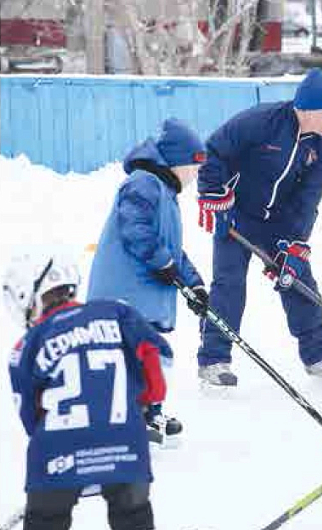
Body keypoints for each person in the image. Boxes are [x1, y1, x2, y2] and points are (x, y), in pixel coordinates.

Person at [3, 250, 189, 530]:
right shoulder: (116, 312)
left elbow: (31, 417)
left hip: (56, 453)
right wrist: (143, 402)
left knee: (46, 520)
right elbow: (156, 358)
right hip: (125, 443)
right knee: (133, 515)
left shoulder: (26, 346)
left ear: (28, 296)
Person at [194, 68, 322, 387]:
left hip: (279, 222)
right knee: (229, 284)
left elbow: (309, 197)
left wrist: (296, 243)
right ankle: (214, 359)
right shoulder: (260, 122)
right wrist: (213, 195)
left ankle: (318, 356)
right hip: (236, 214)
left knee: (298, 279)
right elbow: (214, 151)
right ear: (303, 109)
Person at [87, 118, 210, 434]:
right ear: (175, 161)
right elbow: (135, 228)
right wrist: (163, 261)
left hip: (144, 295)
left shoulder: (165, 193)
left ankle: (148, 411)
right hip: (125, 293)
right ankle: (124, 417)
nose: (195, 177)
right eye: (193, 168)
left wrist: (193, 283)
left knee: (147, 356)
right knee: (129, 358)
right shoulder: (143, 183)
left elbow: (172, 249)